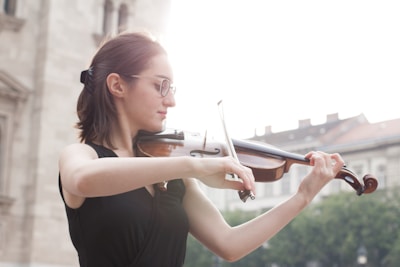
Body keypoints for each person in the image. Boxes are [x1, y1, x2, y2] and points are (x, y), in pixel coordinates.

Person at [58, 31, 345, 267]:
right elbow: (82, 179)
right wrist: (194, 166)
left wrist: (303, 196)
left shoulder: (171, 175)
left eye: (172, 89)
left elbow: (230, 245)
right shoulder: (82, 156)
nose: (170, 101)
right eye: (161, 86)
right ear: (117, 85)